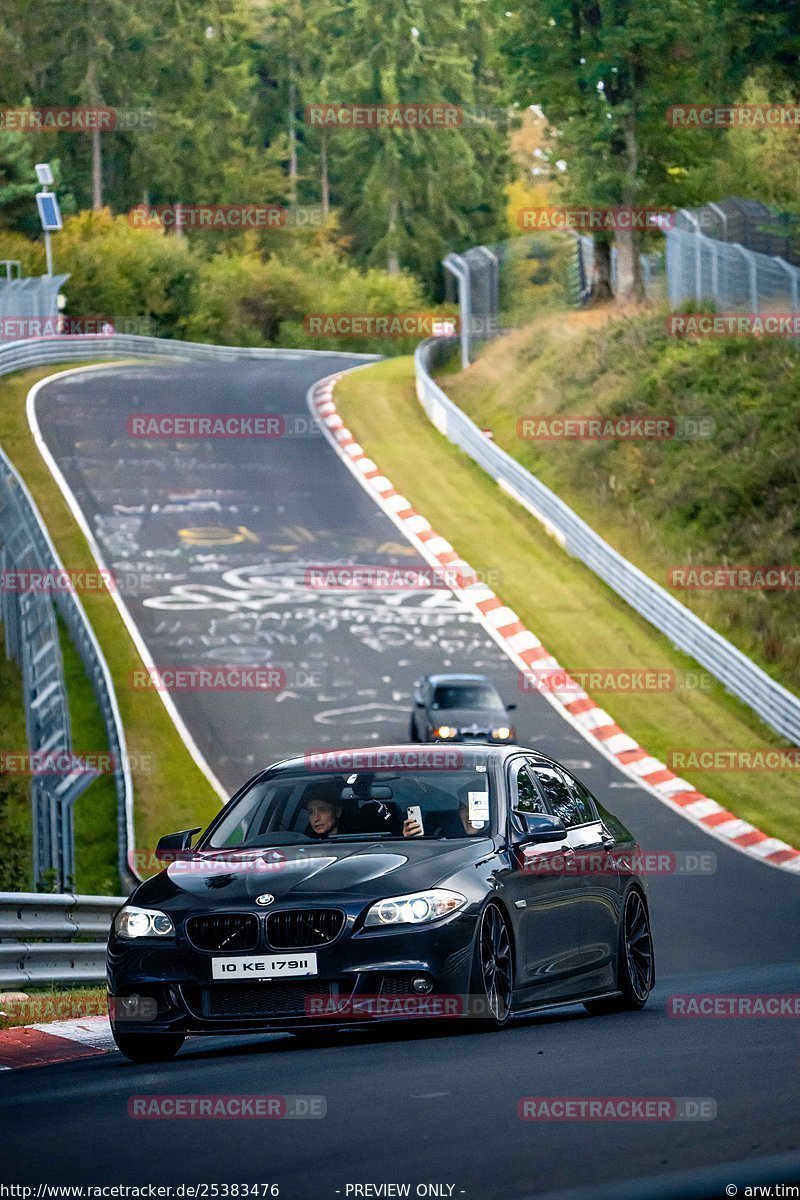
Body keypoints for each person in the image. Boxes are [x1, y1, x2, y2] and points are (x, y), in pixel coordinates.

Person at [402, 798, 484, 839]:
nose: (469, 814)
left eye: (475, 808)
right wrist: (410, 840)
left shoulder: (494, 840)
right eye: (464, 808)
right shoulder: (439, 837)